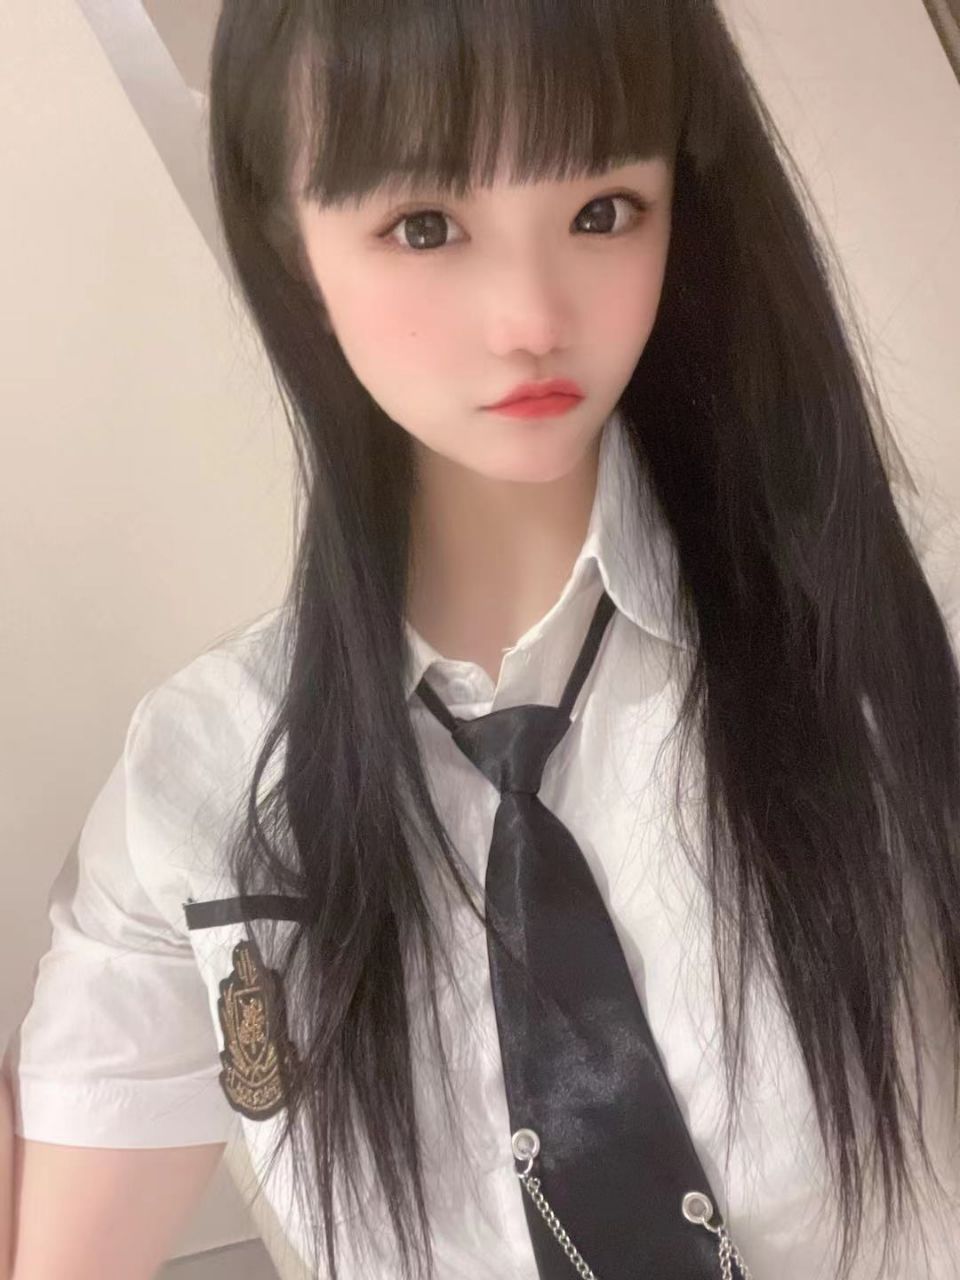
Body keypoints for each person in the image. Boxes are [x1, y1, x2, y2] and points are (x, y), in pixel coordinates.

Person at [6, 1, 960, 1277]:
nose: (531, 315)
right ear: (291, 240)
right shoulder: (203, 783)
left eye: (604, 209)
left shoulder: (900, 621)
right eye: (425, 225)